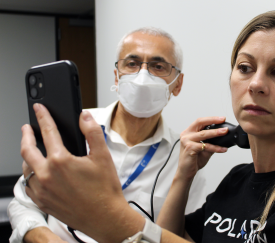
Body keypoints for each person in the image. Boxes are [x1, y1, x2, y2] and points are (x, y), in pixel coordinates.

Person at [19, 10, 275, 243]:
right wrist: (182, 174)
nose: (255, 84)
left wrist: (114, 223)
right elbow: (172, 237)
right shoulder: (236, 181)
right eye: (245, 67)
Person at [8, 27, 207, 243]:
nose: (142, 75)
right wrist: (46, 239)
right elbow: (22, 203)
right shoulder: (72, 128)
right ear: (116, 76)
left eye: (158, 66)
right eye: (132, 64)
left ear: (177, 84)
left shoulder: (185, 160)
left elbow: (175, 237)